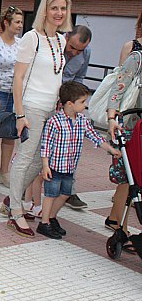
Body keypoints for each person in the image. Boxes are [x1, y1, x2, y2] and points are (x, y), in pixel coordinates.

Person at [7, 0, 72, 238]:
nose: (59, 13)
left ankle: (10, 199)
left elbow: (57, 75)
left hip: (51, 109)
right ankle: (15, 211)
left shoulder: (61, 40)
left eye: (63, 9)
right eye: (54, 8)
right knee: (25, 157)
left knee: (38, 161)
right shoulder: (31, 38)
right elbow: (19, 77)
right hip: (31, 106)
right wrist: (20, 113)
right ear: (45, 10)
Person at [39, 81, 120, 240]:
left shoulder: (82, 120)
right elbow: (46, 145)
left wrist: (110, 149)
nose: (85, 105)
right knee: (50, 195)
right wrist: (45, 165)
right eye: (82, 102)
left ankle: (52, 218)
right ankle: (44, 223)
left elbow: (95, 137)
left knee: (64, 194)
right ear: (69, 104)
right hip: (55, 167)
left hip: (69, 167)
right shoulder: (54, 122)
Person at [105, 36, 142, 238]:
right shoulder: (137, 56)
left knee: (135, 178)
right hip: (128, 125)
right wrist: (112, 118)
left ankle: (114, 218)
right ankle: (121, 228)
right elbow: (117, 88)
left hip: (140, 127)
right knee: (129, 179)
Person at [0, 6, 24, 187]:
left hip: (14, 92)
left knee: (9, 133)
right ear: (6, 23)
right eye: (17, 22)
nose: (20, 25)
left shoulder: (21, 43)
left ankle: (4, 171)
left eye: (21, 22)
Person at [60, 24, 93, 210]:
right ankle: (27, 186)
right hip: (50, 99)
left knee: (72, 147)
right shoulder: (55, 44)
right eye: (72, 47)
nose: (73, 53)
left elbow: (80, 78)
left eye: (79, 50)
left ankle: (68, 191)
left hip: (69, 104)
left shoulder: (85, 53)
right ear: (66, 37)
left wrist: (77, 102)